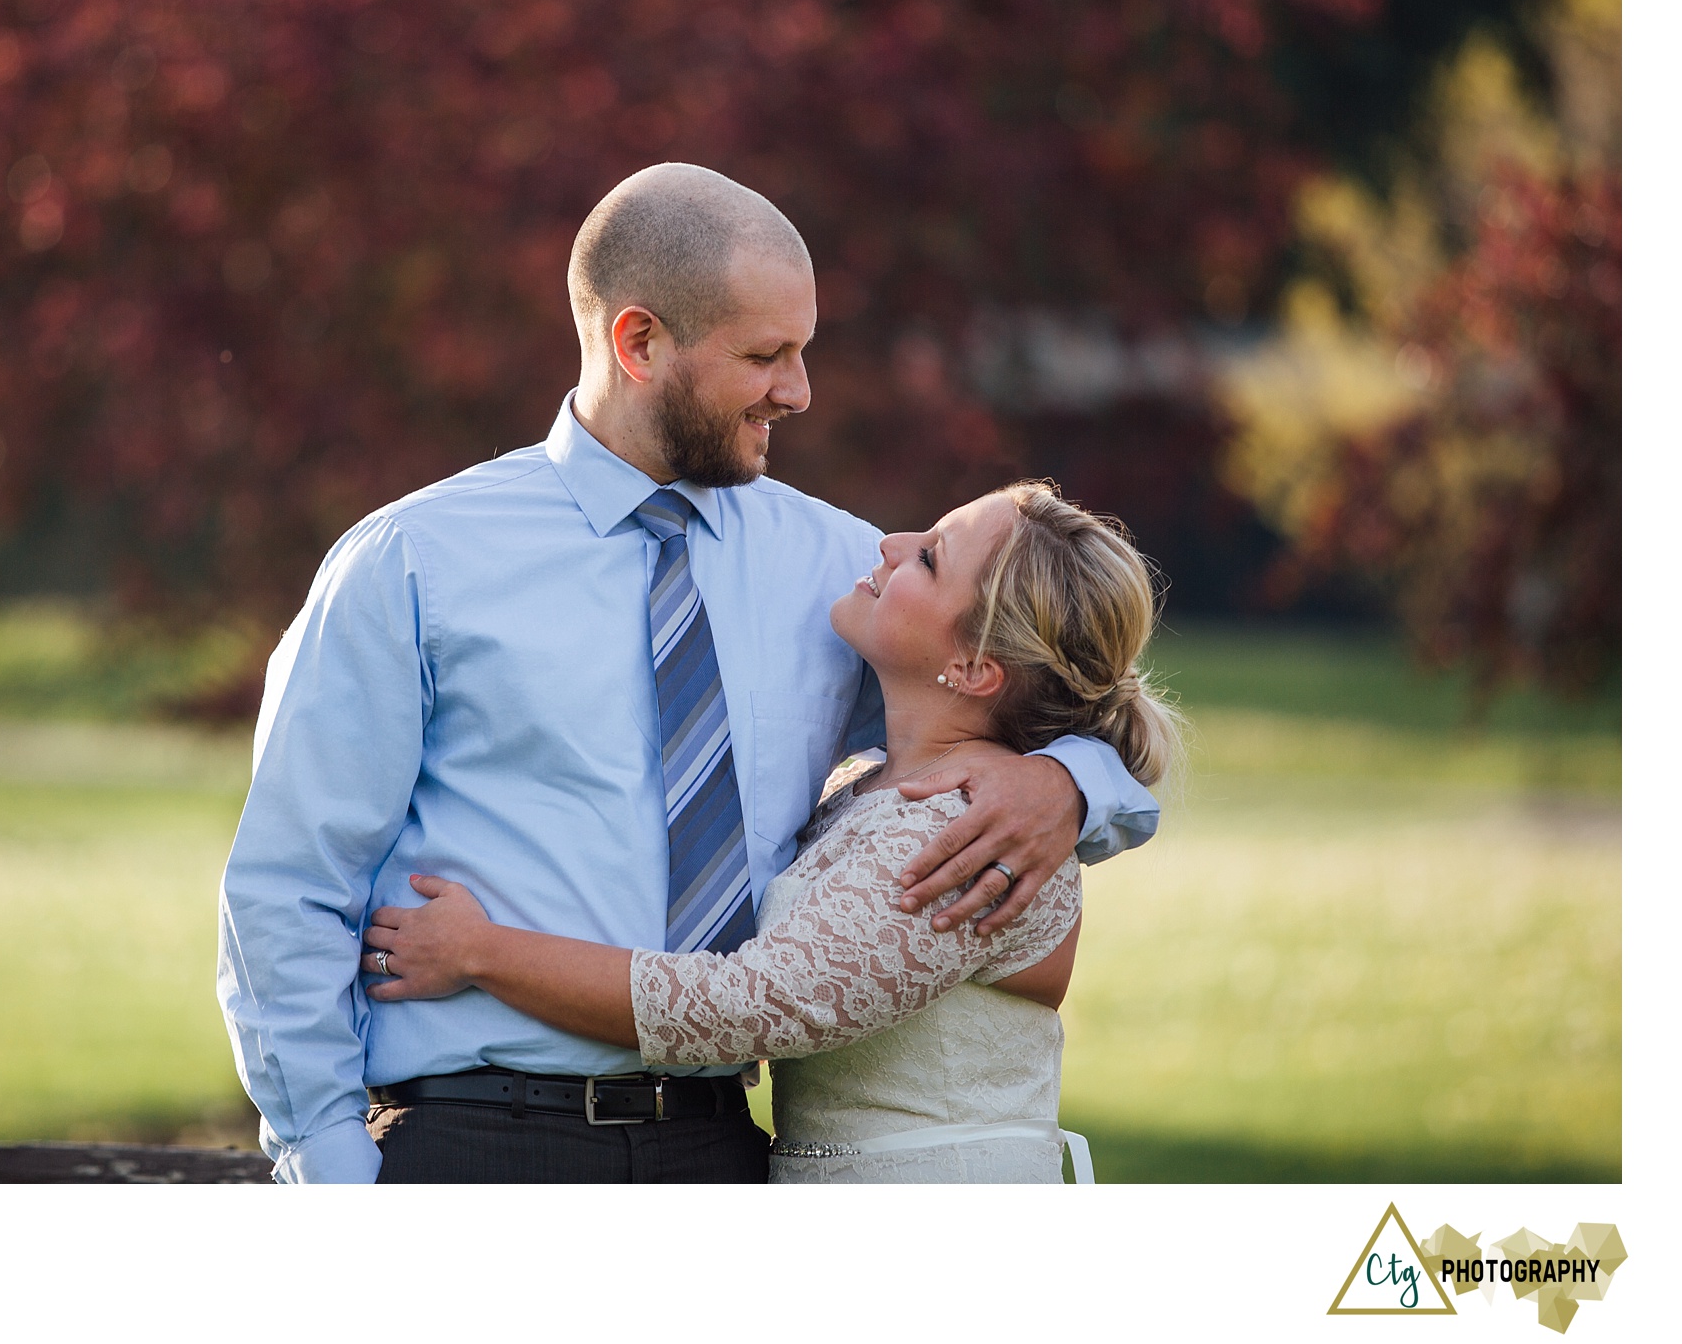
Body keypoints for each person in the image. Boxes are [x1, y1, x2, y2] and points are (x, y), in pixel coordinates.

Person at [217, 163, 1160, 1183]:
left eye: (802, 351)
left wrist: (1066, 778)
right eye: (765, 355)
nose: (796, 391)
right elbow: (290, 878)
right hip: (476, 1144)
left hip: (723, 1148)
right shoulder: (414, 561)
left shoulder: (835, 570)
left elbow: (1032, 673)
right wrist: (323, 1160)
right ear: (639, 342)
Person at [361, 481, 1181, 1182]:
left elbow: (741, 1006)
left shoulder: (964, 833)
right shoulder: (872, 791)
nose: (890, 544)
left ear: (971, 669)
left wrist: (479, 951)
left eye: (929, 557)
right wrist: (1068, 775)